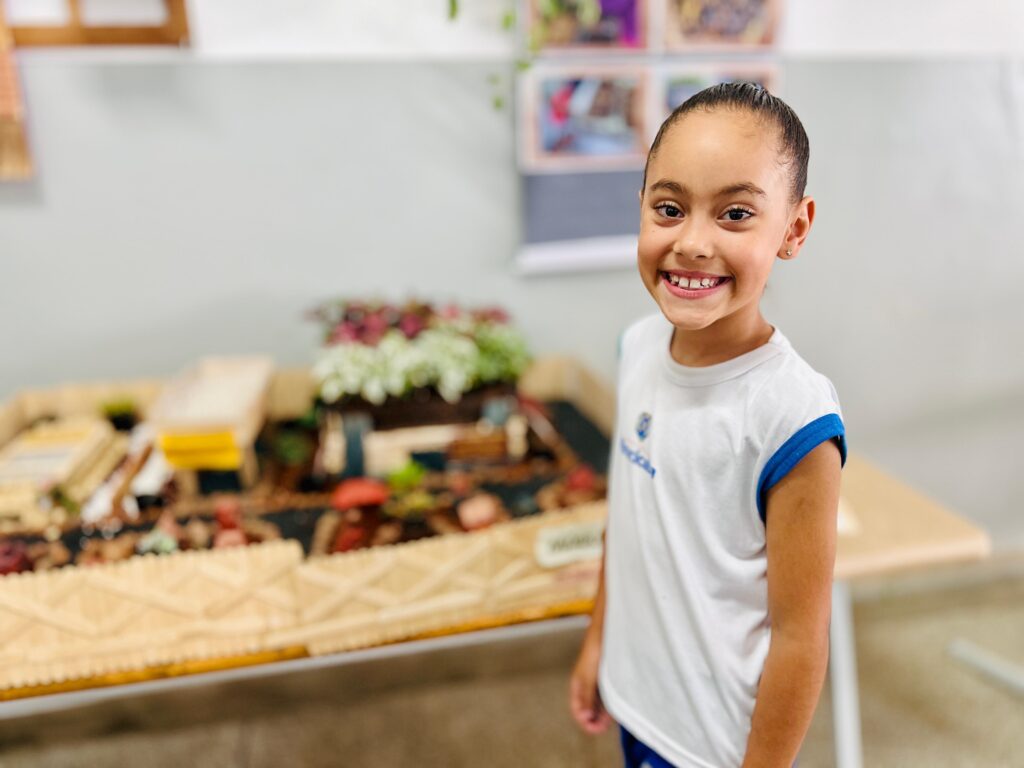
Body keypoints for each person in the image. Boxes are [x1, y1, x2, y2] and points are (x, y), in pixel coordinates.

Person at [569, 82, 847, 768]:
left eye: (735, 214)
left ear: (795, 229)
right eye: (669, 208)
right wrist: (597, 644)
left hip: (710, 745)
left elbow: (800, 637)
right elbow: (627, 524)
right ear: (640, 208)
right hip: (636, 697)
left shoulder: (793, 417)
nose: (692, 243)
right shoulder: (636, 348)